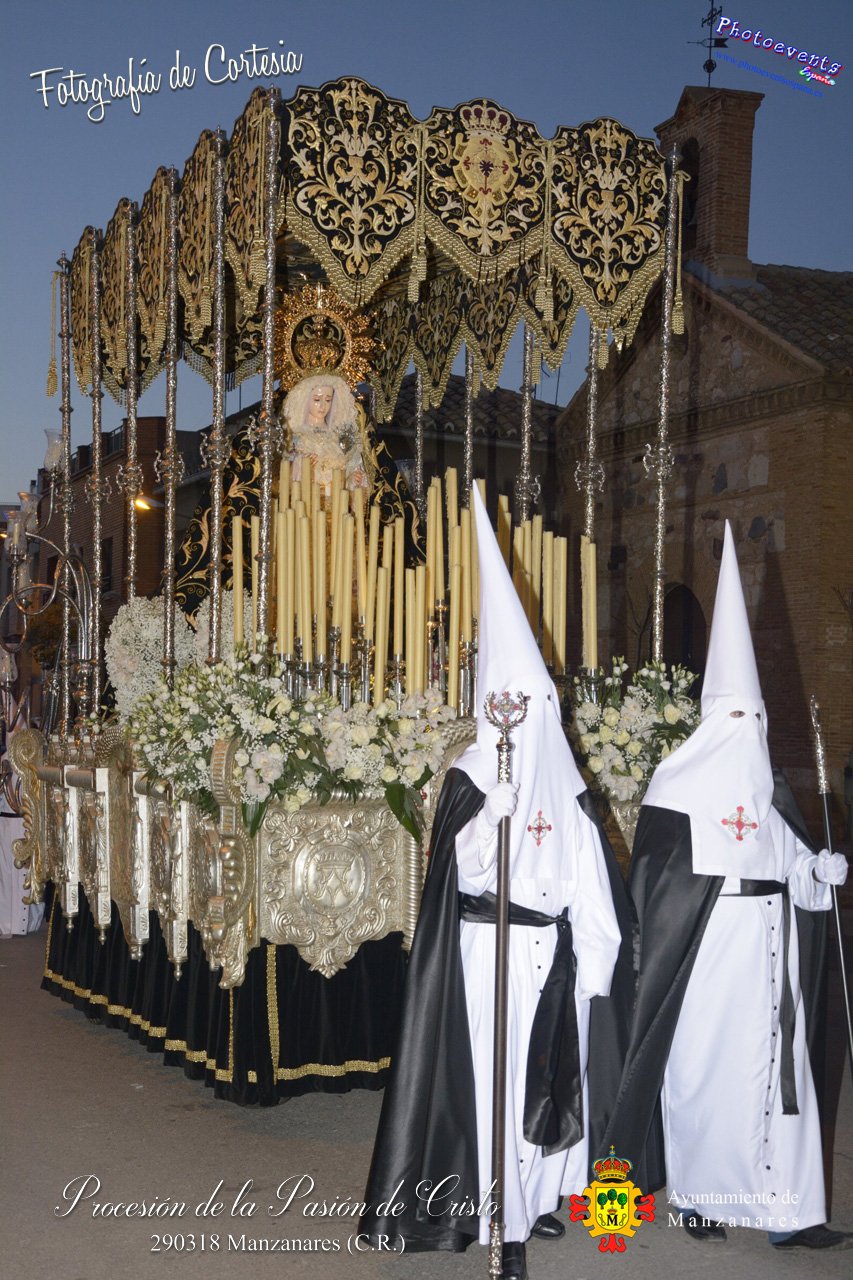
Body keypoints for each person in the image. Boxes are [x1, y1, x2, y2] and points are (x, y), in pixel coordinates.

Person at [361, 486, 628, 1279]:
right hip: (485, 958)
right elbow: (456, 872)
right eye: (511, 704)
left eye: (535, 703)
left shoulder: (569, 789)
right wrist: (486, 822)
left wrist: (598, 970)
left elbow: (592, 886)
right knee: (492, 1083)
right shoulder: (470, 779)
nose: (524, 717)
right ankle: (496, 1218)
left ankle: (534, 1198)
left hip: (552, 959)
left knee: (546, 1080)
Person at [602, 521, 850, 1251]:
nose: (748, 728)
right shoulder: (676, 790)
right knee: (708, 1077)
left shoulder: (768, 789)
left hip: (772, 959)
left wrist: (817, 873)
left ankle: (790, 1214)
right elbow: (658, 889)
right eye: (736, 716)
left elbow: (789, 866)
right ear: (713, 721)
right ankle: (700, 1199)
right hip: (708, 965)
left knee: (782, 1083)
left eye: (756, 717)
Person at [282, 375, 369, 495]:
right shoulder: (295, 436)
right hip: (306, 501)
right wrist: (299, 466)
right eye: (317, 400)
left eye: (328, 400)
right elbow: (283, 478)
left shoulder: (339, 436)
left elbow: (352, 466)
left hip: (338, 502)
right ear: (305, 398)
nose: (323, 406)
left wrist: (353, 480)